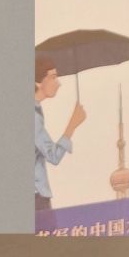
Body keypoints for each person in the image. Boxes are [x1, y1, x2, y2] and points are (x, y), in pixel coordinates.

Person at [34, 60, 87, 215]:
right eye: (53, 77)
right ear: (38, 82)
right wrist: (72, 124)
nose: (58, 83)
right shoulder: (33, 117)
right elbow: (53, 156)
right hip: (36, 197)